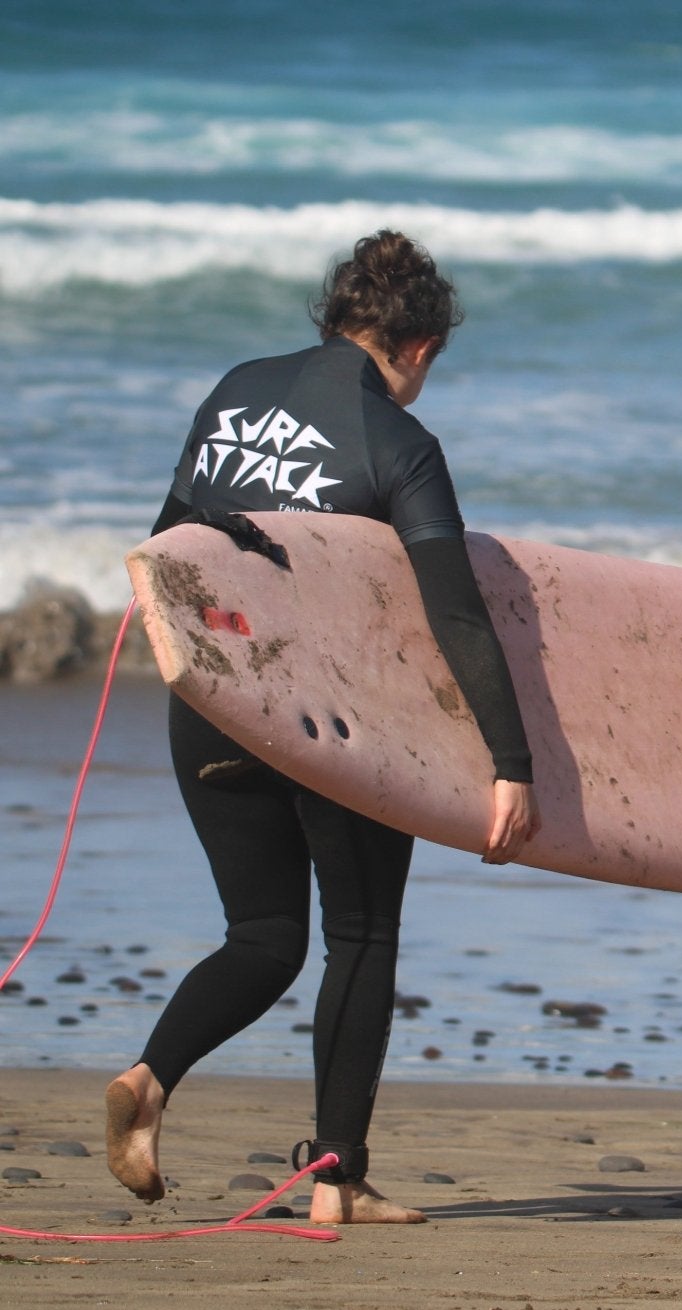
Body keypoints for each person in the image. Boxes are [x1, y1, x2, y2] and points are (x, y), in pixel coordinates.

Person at [103, 230, 540, 1225]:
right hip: (332, 725)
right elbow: (455, 613)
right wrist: (508, 763)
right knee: (361, 933)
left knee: (261, 935)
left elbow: (172, 546)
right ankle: (336, 1183)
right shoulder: (400, 445)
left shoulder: (234, 391)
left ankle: (151, 1079)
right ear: (420, 348)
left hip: (212, 703)